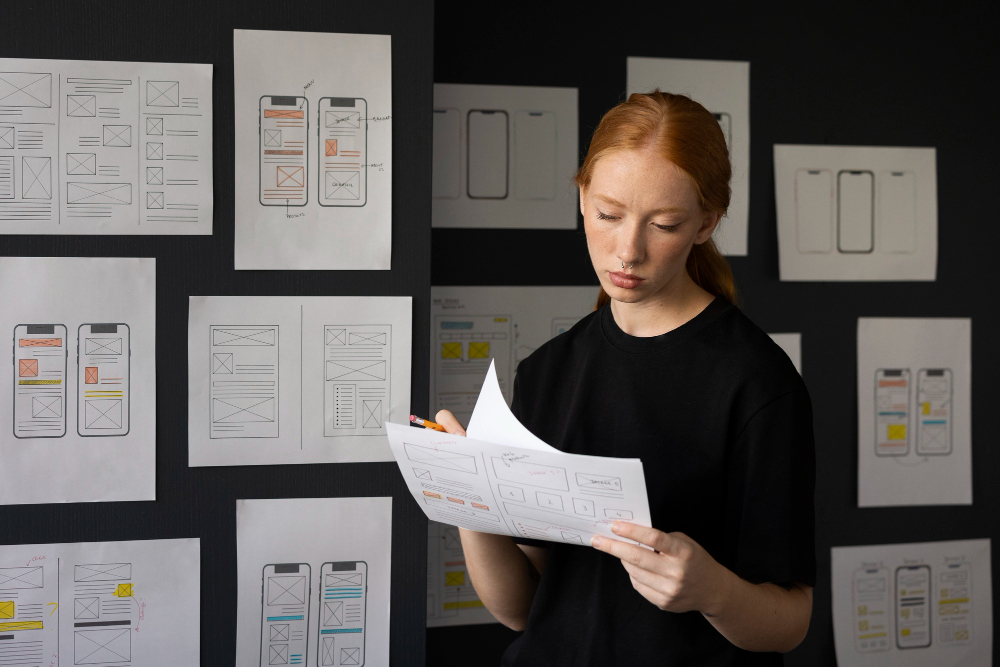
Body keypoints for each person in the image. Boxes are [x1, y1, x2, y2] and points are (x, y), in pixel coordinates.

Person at [435, 91, 816, 666]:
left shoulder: (758, 384)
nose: (627, 250)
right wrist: (470, 497)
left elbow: (790, 622)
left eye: (663, 224)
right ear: (583, 198)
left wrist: (712, 592)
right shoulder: (547, 370)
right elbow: (526, 608)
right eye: (608, 215)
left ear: (705, 223)